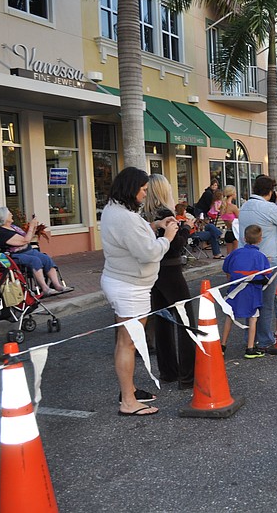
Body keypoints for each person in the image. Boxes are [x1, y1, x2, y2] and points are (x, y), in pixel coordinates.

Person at [100, 166, 178, 416]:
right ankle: (128, 401)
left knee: (126, 340)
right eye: (143, 190)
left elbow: (132, 237)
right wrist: (167, 236)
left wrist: (153, 225)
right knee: (128, 342)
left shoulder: (115, 210)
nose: (145, 194)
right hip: (129, 287)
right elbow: (148, 253)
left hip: (123, 282)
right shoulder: (124, 217)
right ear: (132, 189)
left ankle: (129, 390)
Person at [142, 175, 197, 390]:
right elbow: (175, 246)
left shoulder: (145, 215)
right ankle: (188, 375)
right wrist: (186, 228)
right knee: (185, 320)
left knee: (163, 320)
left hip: (154, 271)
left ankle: (168, 371)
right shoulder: (166, 214)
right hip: (171, 270)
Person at [238, 175, 277, 349]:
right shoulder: (267, 207)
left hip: (248, 259)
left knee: (252, 301)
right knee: (267, 302)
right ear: (270, 192)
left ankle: (250, 337)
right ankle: (264, 339)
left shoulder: (246, 206)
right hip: (268, 260)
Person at [0, 207, 71, 297]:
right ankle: (45, 288)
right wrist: (31, 226)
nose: (12, 215)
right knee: (34, 260)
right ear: (4, 218)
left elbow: (28, 238)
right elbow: (25, 241)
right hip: (15, 255)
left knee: (46, 258)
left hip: (28, 251)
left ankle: (57, 285)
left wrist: (34, 228)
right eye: (10, 214)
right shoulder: (2, 233)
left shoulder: (13, 227)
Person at [221, 225, 271, 359]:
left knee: (229, 316)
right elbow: (267, 276)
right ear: (260, 240)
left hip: (235, 290)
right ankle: (250, 348)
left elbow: (226, 268)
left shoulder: (235, 253)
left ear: (244, 238)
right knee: (253, 318)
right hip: (252, 292)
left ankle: (222, 345)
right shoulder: (261, 256)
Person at [219, 186, 240, 256]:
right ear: (232, 194)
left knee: (229, 256)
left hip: (228, 232)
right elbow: (240, 218)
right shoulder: (233, 207)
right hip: (235, 232)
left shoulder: (222, 206)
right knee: (236, 256)